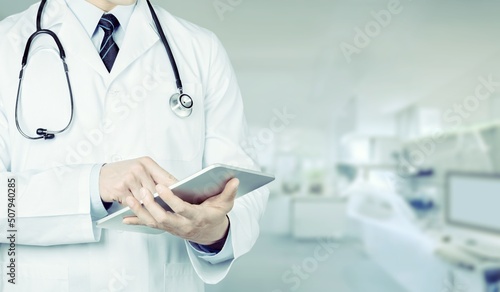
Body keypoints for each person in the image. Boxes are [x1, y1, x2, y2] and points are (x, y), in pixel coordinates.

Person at [0, 0, 268, 291]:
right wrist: (91, 186)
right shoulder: (7, 44)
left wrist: (215, 231)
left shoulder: (200, 49)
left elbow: (237, 185)